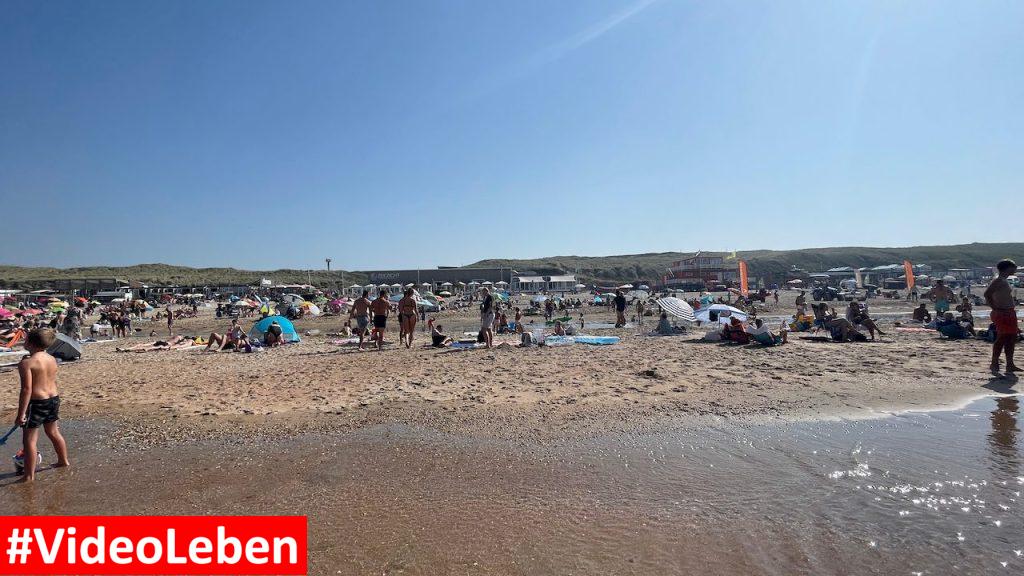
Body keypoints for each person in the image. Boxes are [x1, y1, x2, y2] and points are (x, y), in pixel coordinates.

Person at [15, 328, 70, 482]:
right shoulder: (51, 358)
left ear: (30, 343)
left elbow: (26, 390)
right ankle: (63, 461)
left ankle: (29, 476)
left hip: (36, 402)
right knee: (53, 432)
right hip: (53, 398)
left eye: (25, 339)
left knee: (29, 440)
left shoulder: (26, 363)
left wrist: (21, 414)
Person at [985, 259, 1019, 373]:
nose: (1015, 269)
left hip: (1009, 312)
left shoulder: (1003, 280)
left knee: (1011, 338)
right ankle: (994, 363)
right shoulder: (998, 280)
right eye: (1014, 267)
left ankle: (1010, 364)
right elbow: (987, 294)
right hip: (1002, 312)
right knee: (1002, 337)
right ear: (1007, 268)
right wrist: (995, 308)